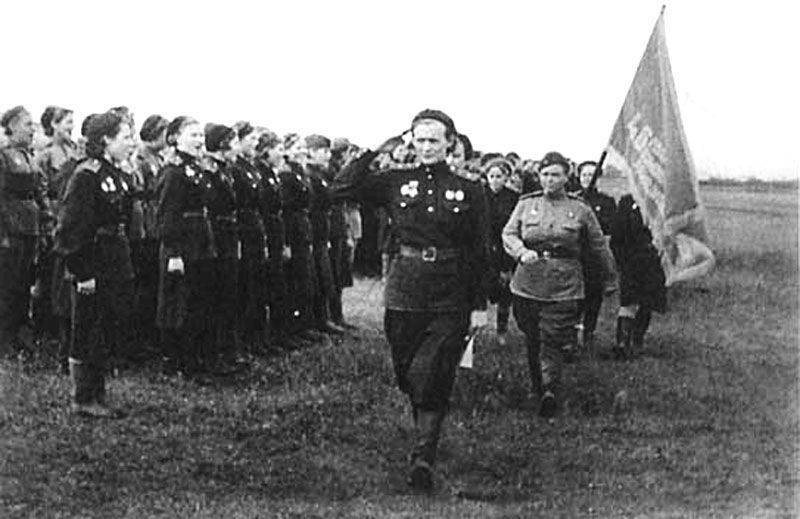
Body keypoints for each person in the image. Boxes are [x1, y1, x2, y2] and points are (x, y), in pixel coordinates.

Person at [333, 109, 491, 492]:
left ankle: (423, 457)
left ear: (450, 143)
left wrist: (479, 305)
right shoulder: (394, 181)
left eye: (434, 140)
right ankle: (424, 432)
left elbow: (480, 249)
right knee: (408, 372)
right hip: (405, 289)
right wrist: (375, 149)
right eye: (419, 140)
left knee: (433, 372)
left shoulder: (470, 190)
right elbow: (340, 189)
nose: (426, 147)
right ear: (411, 141)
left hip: (450, 291)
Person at [502, 151, 616, 418]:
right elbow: (509, 232)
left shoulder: (580, 209)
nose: (549, 180)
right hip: (527, 284)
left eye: (555, 175)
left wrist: (610, 278)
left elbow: (598, 246)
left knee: (551, 339)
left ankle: (549, 390)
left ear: (567, 177)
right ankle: (538, 385)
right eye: (544, 174)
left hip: (564, 285)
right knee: (532, 337)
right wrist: (520, 251)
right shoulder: (526, 204)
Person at [53, 110, 136, 417]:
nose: (131, 143)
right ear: (105, 140)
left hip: (114, 259)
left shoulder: (114, 173)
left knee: (105, 324)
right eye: (125, 137)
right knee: (87, 326)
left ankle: (97, 393)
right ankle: (83, 397)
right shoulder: (86, 175)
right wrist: (82, 272)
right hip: (93, 261)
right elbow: (72, 228)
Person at [156, 116, 218, 375]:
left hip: (200, 238)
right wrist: (174, 252)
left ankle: (197, 358)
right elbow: (168, 214)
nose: (199, 140)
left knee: (199, 300)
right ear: (174, 138)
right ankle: (177, 361)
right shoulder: (173, 171)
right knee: (179, 302)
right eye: (192, 135)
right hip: (182, 243)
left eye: (201, 135)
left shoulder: (196, 169)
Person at [0, 106, 46, 357]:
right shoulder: (3, 157)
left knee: (24, 285)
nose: (32, 130)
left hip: (30, 228)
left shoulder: (29, 156)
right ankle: (5, 340)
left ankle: (22, 338)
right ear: (12, 127)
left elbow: (38, 193)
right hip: (11, 229)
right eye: (27, 124)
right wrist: (3, 234)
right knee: (8, 286)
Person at [609, 194, 667, 359]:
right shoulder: (628, 202)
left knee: (647, 302)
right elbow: (617, 236)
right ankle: (623, 343)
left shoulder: (662, 201)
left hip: (654, 261)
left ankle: (636, 341)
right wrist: (622, 261)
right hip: (632, 260)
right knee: (629, 301)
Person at [305, 134, 346, 336]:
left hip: (324, 230)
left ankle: (325, 318)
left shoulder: (321, 174)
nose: (328, 155)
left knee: (325, 277)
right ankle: (318, 320)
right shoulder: (310, 175)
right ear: (311, 152)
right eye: (323, 151)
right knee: (317, 278)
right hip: (314, 231)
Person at [575, 160, 617, 355]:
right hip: (573, 256)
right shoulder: (572, 199)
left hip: (594, 257)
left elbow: (609, 229)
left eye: (591, 175)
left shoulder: (606, 202)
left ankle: (588, 332)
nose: (587, 178)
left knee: (593, 296)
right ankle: (571, 333)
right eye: (584, 174)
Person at [484, 157, 518, 345]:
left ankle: (501, 330)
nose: (495, 180)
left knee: (505, 293)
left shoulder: (513, 198)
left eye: (499, 176)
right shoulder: (479, 195)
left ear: (506, 178)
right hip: (484, 250)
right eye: (492, 176)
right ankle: (475, 330)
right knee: (479, 295)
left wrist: (508, 263)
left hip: (505, 250)